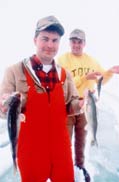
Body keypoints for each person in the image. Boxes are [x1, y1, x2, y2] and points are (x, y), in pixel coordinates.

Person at [0, 16, 84, 182]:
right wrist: (4, 104)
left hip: (61, 149)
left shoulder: (65, 74)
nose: (50, 45)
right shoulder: (14, 71)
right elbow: (3, 111)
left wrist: (80, 104)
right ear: (35, 40)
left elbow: (71, 105)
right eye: (45, 39)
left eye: (55, 40)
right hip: (30, 151)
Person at [57, 28, 119, 181]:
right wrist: (85, 77)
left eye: (79, 41)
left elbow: (102, 79)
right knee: (65, 140)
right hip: (68, 104)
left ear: (84, 43)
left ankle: (79, 167)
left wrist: (110, 71)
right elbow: (63, 83)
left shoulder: (92, 61)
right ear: (69, 43)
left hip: (87, 103)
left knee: (82, 139)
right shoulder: (62, 60)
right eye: (73, 41)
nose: (76, 45)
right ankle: (63, 169)